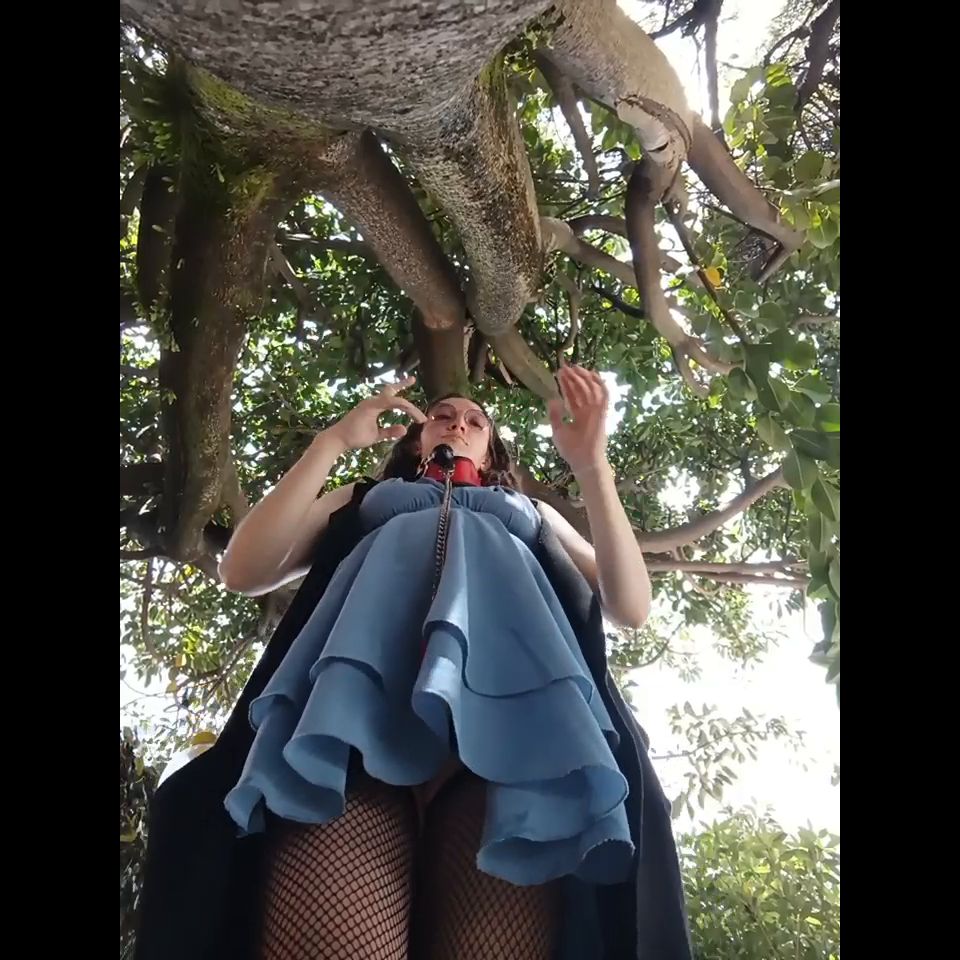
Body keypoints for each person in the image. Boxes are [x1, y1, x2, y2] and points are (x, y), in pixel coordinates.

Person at [134, 365, 692, 960]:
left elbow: (630, 606)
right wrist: (332, 443)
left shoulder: (530, 511)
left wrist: (592, 465)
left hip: (512, 758)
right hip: (348, 740)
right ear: (415, 440)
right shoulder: (363, 498)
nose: (458, 423)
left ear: (491, 449)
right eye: (442, 416)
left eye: (476, 420)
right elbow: (244, 570)